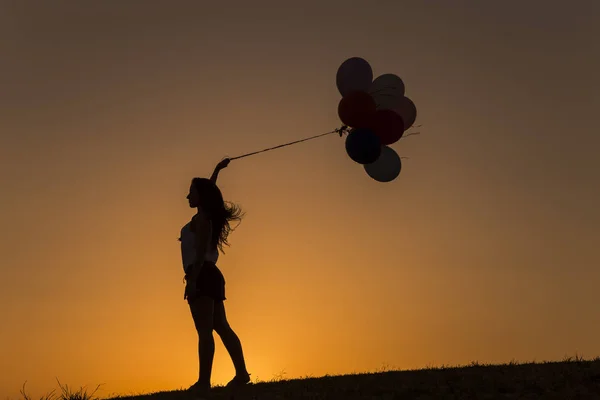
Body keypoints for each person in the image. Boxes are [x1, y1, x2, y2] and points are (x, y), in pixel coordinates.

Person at [179, 158, 251, 397]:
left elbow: (199, 253)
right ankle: (241, 374)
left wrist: (192, 280)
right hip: (211, 274)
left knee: (204, 331)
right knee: (221, 326)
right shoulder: (206, 216)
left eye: (191, 192)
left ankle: (203, 382)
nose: (187, 196)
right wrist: (217, 170)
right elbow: (209, 190)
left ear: (200, 196)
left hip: (201, 273)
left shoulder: (201, 221)